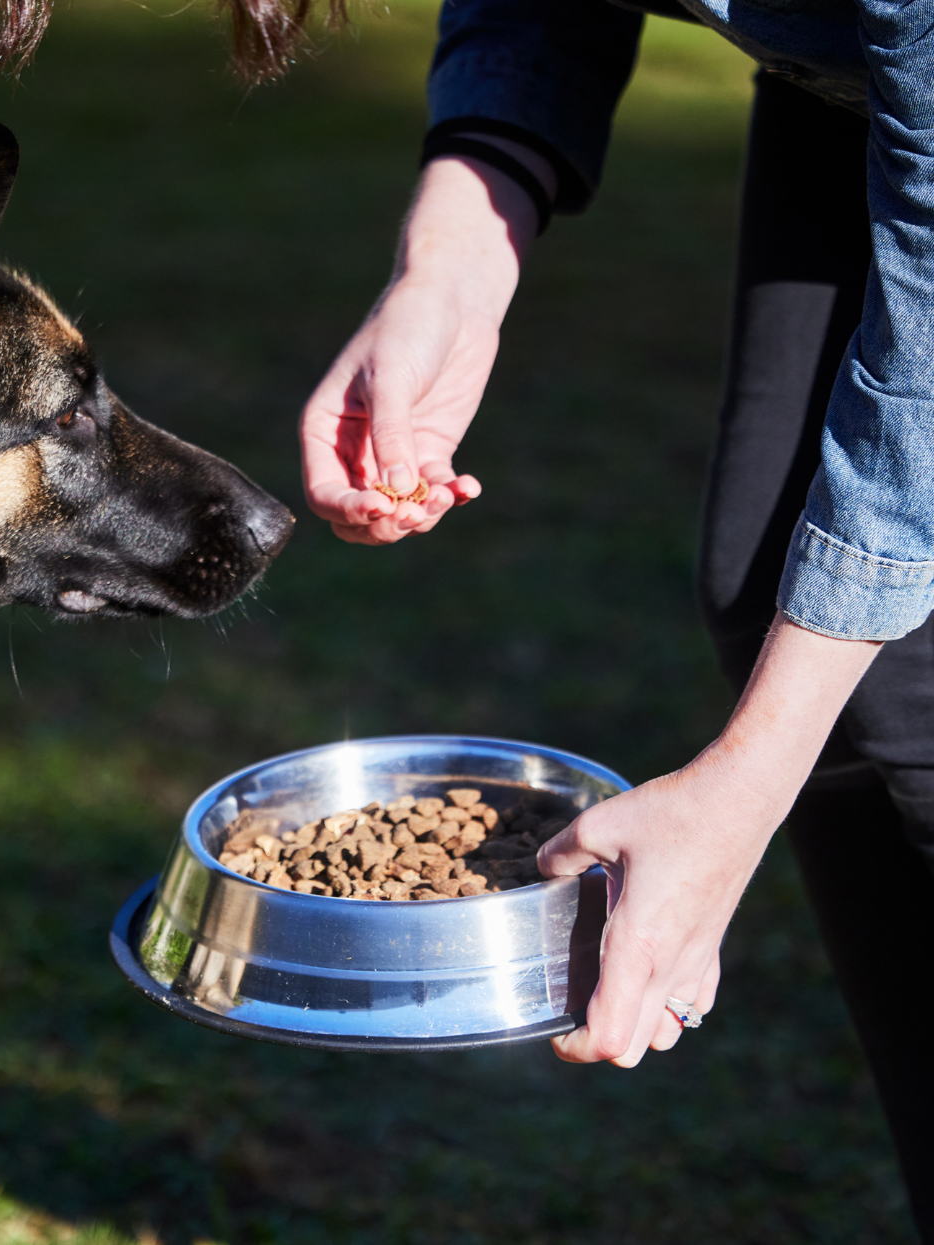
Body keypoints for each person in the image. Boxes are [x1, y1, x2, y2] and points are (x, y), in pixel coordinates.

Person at [295, 0, 934, 1234]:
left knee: (887, 671)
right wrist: (455, 262)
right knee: (786, 613)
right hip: (849, 91)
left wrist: (744, 786)